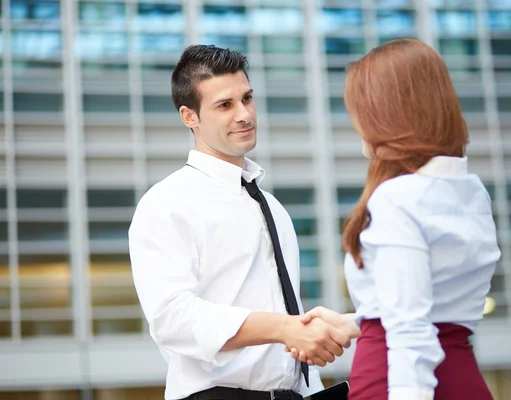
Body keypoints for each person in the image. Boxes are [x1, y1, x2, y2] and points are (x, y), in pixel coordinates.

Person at [128, 44, 352, 400]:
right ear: (190, 116)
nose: (244, 114)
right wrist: (284, 329)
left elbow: (283, 314)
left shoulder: (272, 207)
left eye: (247, 98)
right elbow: (172, 318)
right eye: (225, 105)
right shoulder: (166, 203)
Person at [289, 38, 501, 400]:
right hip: (461, 377)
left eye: (360, 114)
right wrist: (358, 321)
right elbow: (435, 308)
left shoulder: (397, 198)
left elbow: (410, 329)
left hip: (397, 381)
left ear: (386, 114)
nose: (359, 130)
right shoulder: (470, 190)